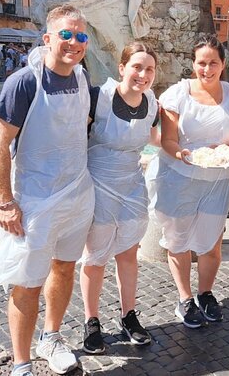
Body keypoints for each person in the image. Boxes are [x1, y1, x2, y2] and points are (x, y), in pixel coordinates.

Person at [0, 5, 95, 376]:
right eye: (66, 35)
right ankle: (21, 363)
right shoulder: (24, 82)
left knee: (65, 268)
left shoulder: (82, 76)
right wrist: (5, 202)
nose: (74, 43)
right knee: (27, 282)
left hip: (77, 195)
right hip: (34, 200)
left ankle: (51, 337)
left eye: (81, 36)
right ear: (48, 38)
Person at [145, 34, 229, 329]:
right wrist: (184, 153)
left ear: (223, 64)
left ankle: (206, 293)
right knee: (179, 241)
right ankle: (185, 298)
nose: (207, 69)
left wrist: (226, 151)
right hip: (179, 176)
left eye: (213, 63)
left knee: (212, 243)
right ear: (193, 64)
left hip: (217, 179)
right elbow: (168, 140)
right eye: (201, 63)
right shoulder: (179, 93)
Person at [79, 42, 160, 353]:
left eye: (149, 69)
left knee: (128, 254)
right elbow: (74, 136)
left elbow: (155, 138)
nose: (143, 74)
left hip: (132, 186)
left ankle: (128, 316)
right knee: (95, 256)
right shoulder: (98, 98)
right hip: (98, 184)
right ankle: (91, 322)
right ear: (122, 68)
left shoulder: (152, 102)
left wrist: (182, 151)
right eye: (137, 67)